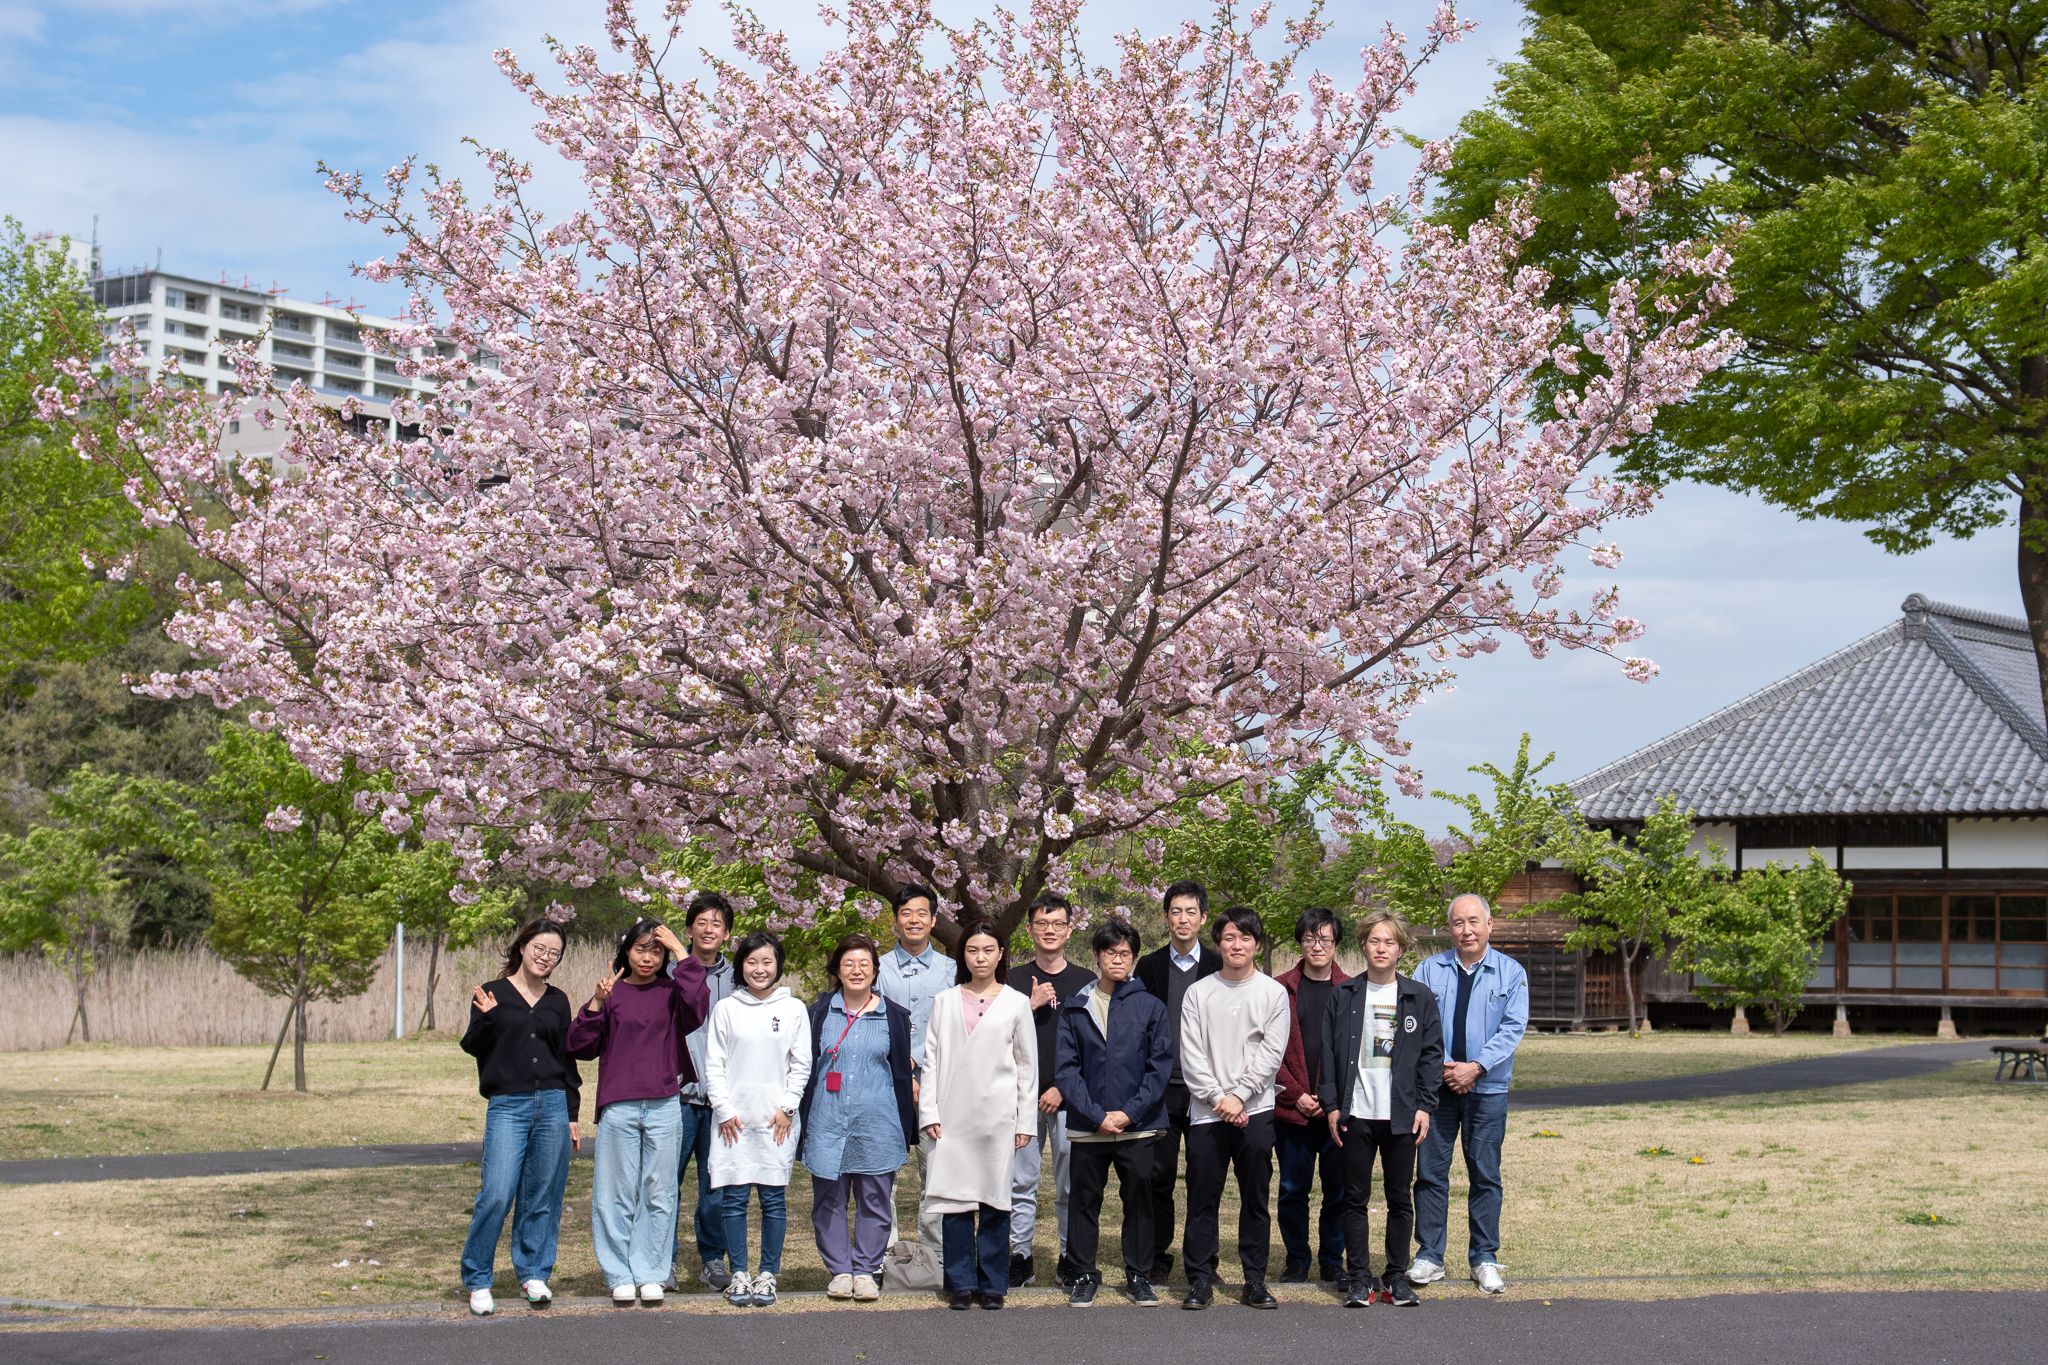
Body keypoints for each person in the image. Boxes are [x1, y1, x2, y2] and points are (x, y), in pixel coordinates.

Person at [567, 917, 711, 1306]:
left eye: (656, 951)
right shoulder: (613, 992)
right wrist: (596, 1002)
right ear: (626, 951)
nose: (647, 958)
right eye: (640, 949)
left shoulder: (671, 990)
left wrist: (682, 951)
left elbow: (698, 1007)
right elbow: (580, 1045)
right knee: (614, 1194)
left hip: (664, 1103)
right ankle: (619, 1273)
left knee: (659, 1192)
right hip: (619, 1106)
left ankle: (650, 1272)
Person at [458, 915, 583, 1316]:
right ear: (522, 947)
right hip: (508, 1106)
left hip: (551, 1104)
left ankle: (533, 1273)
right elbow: (472, 1046)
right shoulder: (492, 993)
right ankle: (478, 1279)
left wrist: (571, 1112)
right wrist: (489, 1019)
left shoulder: (557, 1000)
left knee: (543, 1195)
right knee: (496, 1193)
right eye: (539, 949)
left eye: (554, 953)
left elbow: (565, 1060)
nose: (545, 957)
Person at [1319, 909, 1442, 1308]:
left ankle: (1394, 1276)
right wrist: (1332, 1105)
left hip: (1401, 1116)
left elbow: (1431, 1056)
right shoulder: (1344, 994)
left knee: (1399, 1198)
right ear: (1363, 945)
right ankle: (1358, 1278)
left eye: (1390, 941)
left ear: (1402, 948)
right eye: (1375, 940)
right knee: (1353, 1199)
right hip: (1356, 1113)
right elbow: (1328, 1054)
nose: (1382, 948)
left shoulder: (1418, 997)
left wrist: (1424, 1105)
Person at [1409, 893, 1529, 1295]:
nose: (1467, 930)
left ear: (1489, 925)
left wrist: (1475, 1067)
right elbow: (1417, 1024)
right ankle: (1429, 1256)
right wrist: (1446, 1068)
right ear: (1450, 928)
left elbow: (1512, 1028)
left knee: (1485, 1176)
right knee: (1429, 1175)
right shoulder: (1428, 969)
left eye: (1474, 921)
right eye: (1459, 923)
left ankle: (1484, 1258)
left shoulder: (1511, 973)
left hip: (1488, 1089)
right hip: (1437, 1091)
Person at [918, 919, 1037, 1310]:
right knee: (955, 1202)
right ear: (962, 955)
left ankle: (992, 1284)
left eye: (988, 950)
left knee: (995, 1201)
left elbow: (1026, 1067)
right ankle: (960, 1283)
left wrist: (1025, 1122)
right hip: (952, 1116)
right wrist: (929, 1112)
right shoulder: (945, 1001)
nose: (980, 957)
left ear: (1001, 953)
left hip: (998, 1118)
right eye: (972, 950)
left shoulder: (1017, 1003)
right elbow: (931, 1061)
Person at [1054, 916, 1173, 1309]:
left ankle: (1139, 1276)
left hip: (1136, 1127)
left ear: (1134, 958)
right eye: (1110, 952)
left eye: (1124, 953)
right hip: (1089, 1127)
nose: (1117, 959)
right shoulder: (1077, 1006)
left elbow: (1160, 1068)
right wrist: (1095, 1115)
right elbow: (1067, 1070)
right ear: (1096, 955)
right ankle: (1083, 1274)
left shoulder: (1151, 1007)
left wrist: (1127, 1114)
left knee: (1139, 1199)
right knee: (1083, 1200)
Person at [1175, 905, 1290, 1310]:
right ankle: (1200, 1279)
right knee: (1202, 1197)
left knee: (1255, 1197)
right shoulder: (1198, 992)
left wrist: (1240, 1097)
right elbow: (1191, 1054)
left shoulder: (1273, 993)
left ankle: (1254, 1280)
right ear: (1218, 942)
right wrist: (1220, 1099)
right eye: (1228, 937)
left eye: (1244, 937)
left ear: (1256, 943)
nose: (1236, 945)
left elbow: (1271, 1055)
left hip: (1255, 1112)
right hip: (1207, 1113)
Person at [801, 933, 919, 1304]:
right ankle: (839, 1271)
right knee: (829, 1200)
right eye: (848, 963)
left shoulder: (894, 1016)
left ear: (874, 970)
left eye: (864, 964)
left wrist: (907, 1122)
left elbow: (901, 1072)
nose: (856, 970)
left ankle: (866, 1269)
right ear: (837, 969)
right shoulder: (818, 1013)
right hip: (828, 1120)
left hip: (877, 1122)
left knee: (875, 1199)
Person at [704, 929, 812, 1308]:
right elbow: (713, 1064)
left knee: (772, 1201)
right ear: (741, 966)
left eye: (767, 961)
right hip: (733, 1121)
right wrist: (724, 1109)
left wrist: (788, 1109)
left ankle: (767, 1274)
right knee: (733, 1200)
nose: (760, 969)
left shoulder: (793, 1008)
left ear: (778, 965)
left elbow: (802, 1064)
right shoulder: (727, 1009)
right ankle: (739, 1274)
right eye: (751, 961)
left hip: (776, 1122)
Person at [1006, 891, 1096, 1288]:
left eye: (1058, 923)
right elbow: (992, 1037)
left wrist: (1062, 1087)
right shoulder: (1009, 980)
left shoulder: (1086, 982)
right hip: (1019, 1098)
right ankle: (1019, 1257)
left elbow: (1095, 1047)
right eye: (1041, 923)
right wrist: (1030, 1003)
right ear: (1029, 929)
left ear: (1070, 929)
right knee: (1019, 1184)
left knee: (1069, 1184)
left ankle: (1068, 1257)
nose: (1049, 930)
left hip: (1069, 1100)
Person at [1133, 879, 1221, 1283]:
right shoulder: (1149, 966)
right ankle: (1156, 1257)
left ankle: (1203, 1263)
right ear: (1166, 917)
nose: (1182, 919)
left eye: (1191, 912)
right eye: (1175, 912)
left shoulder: (1220, 965)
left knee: (1206, 1180)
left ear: (1203, 918)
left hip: (1207, 1091)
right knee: (1159, 1178)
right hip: (1161, 1090)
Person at [1273, 905, 1351, 1287]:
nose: (1317, 945)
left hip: (1339, 1111)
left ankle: (1332, 1261)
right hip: (1293, 1111)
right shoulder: (1279, 988)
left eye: (1324, 939)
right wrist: (1296, 1094)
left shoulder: (1352, 989)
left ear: (1336, 943)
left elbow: (1356, 1055)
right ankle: (1296, 1260)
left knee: (1337, 1192)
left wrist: (1331, 1099)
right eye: (1309, 938)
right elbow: (1267, 1052)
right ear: (1300, 941)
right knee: (1292, 1190)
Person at [877, 883, 953, 1249]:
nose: (914, 920)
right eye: (906, 913)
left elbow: (952, 1026)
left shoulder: (951, 970)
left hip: (935, 1082)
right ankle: (882, 1254)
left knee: (936, 1171)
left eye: (922, 913)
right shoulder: (876, 968)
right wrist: (900, 1067)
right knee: (882, 1173)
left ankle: (934, 1254)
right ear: (896, 920)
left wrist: (914, 1059)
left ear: (934, 920)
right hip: (884, 1081)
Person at [672, 891, 736, 1292]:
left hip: (721, 1100)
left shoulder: (739, 977)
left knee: (716, 1184)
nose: (709, 929)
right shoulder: (672, 972)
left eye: (717, 923)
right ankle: (662, 1260)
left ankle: (713, 1260)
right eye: (702, 922)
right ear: (690, 928)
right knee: (665, 1183)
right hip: (677, 1096)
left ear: (727, 934)